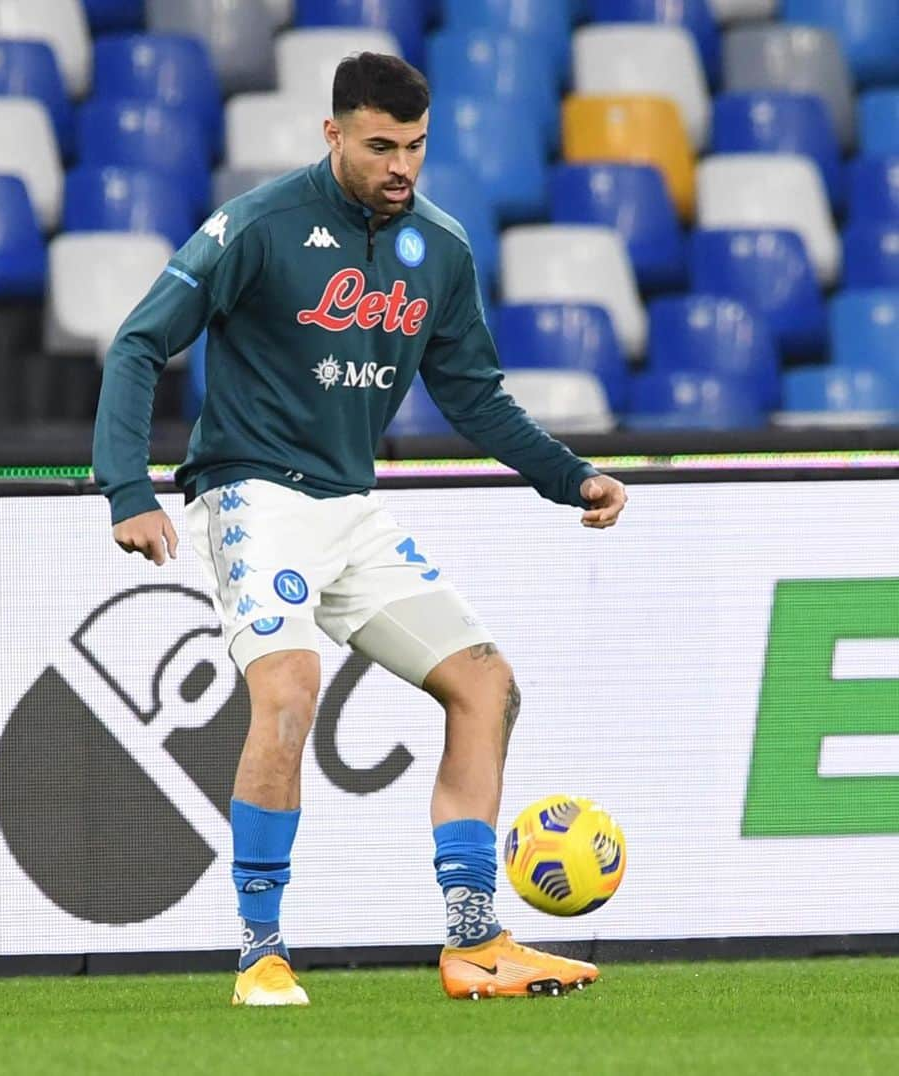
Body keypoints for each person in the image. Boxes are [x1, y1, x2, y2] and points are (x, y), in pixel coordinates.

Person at [93, 51, 627, 1006]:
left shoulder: (441, 248)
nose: (401, 167)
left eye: (416, 146)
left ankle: (475, 942)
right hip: (253, 492)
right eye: (381, 145)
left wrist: (568, 476)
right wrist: (127, 487)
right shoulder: (258, 226)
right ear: (332, 133)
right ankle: (261, 950)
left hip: (350, 505)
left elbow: (475, 395)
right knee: (290, 689)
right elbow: (140, 340)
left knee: (485, 684)